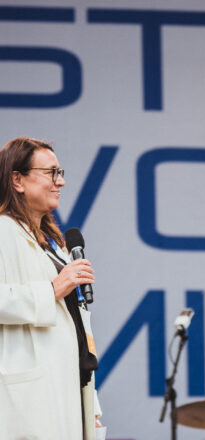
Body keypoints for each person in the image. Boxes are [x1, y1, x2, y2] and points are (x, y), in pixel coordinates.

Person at [0, 137, 98, 439]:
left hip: (67, 390)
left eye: (61, 172)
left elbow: (79, 331)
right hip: (28, 401)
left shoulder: (54, 244)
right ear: (18, 179)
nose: (62, 182)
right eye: (52, 173)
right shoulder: (3, 231)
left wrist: (92, 404)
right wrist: (53, 289)